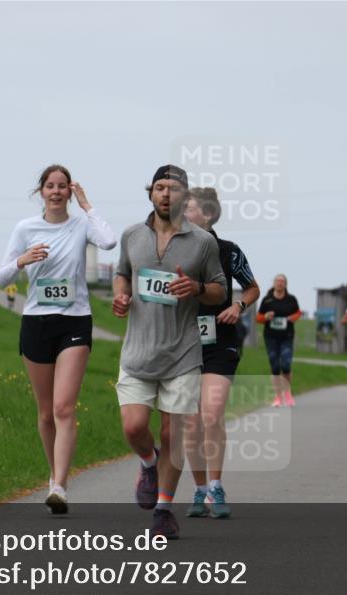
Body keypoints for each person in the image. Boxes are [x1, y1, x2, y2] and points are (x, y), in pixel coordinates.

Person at [112, 165, 226, 539]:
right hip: (138, 352)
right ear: (150, 194)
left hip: (182, 352)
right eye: (159, 188)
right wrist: (120, 294)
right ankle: (148, 463)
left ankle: (163, 509)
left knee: (174, 434)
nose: (165, 194)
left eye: (173, 189)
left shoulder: (203, 243)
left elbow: (220, 291)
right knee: (134, 427)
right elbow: (122, 272)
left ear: (184, 196)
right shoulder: (132, 235)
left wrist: (194, 287)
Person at [0, 164, 116, 515]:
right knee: (46, 412)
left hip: (75, 321)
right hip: (36, 322)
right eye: (50, 186)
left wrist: (88, 204)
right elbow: (1, 276)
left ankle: (61, 486)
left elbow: (109, 241)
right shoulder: (25, 228)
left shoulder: (81, 225)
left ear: (69, 191)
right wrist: (23, 259)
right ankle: (53, 476)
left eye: (63, 186)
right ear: (41, 191)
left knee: (65, 407)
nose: (56, 191)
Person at [168, 188, 260, 520]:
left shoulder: (228, 251)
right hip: (184, 344)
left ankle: (217, 486)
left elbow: (252, 287)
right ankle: (200, 488)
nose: (182, 215)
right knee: (191, 422)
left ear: (207, 215)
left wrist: (239, 306)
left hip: (221, 341)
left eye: (188, 209)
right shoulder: (172, 249)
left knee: (211, 414)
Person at [257, 275, 301, 407]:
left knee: (286, 365)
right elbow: (258, 318)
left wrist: (292, 318)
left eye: (282, 281)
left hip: (287, 336)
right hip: (271, 337)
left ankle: (287, 394)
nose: (280, 283)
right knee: (275, 367)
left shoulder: (291, 299)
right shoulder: (267, 300)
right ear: (274, 283)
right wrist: (265, 317)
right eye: (277, 281)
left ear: (285, 284)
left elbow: (298, 313)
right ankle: (277, 396)